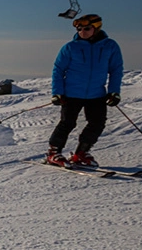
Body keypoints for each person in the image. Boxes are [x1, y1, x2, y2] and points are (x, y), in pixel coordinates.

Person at [46, 13, 123, 167]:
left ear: (96, 28)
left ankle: (81, 153)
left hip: (96, 94)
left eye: (86, 28)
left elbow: (116, 70)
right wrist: (57, 92)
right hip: (71, 93)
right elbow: (58, 70)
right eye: (80, 28)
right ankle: (53, 153)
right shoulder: (70, 47)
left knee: (97, 123)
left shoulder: (110, 46)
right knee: (67, 123)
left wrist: (114, 91)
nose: (82, 32)